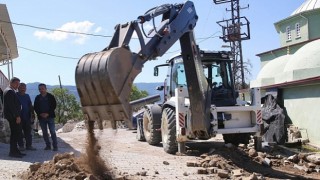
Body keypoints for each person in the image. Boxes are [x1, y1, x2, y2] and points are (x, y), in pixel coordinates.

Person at [3, 77, 26, 158]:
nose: (18, 85)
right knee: (15, 134)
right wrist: (17, 116)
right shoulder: (9, 91)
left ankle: (16, 150)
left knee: (16, 133)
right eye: (16, 83)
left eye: (18, 84)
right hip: (13, 116)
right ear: (11, 83)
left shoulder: (11, 91)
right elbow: (11, 106)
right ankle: (13, 152)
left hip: (13, 116)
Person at [34, 83, 58, 151]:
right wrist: (40, 114)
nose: (41, 90)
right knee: (44, 132)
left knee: (52, 131)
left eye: (42, 89)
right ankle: (48, 146)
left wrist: (48, 113)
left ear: (45, 89)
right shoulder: (37, 97)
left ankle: (55, 146)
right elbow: (35, 107)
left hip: (50, 117)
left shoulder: (50, 96)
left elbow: (54, 106)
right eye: (40, 89)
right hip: (41, 118)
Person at [17, 83, 36, 151]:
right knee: (19, 132)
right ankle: (21, 146)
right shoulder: (16, 95)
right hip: (19, 117)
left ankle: (29, 145)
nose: (23, 89)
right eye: (21, 88)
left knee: (28, 132)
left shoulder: (27, 96)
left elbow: (30, 105)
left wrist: (33, 114)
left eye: (24, 88)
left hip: (27, 117)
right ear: (18, 88)